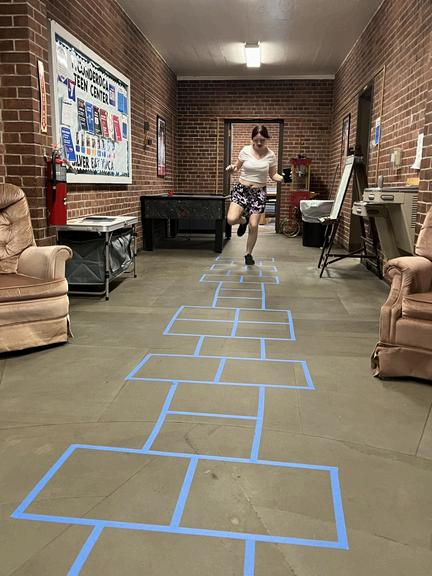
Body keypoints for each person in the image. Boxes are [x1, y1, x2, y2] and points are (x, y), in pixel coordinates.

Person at [225, 125, 284, 265]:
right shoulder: (245, 150)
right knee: (231, 219)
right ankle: (243, 221)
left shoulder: (271, 155)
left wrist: (283, 178)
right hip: (241, 190)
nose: (259, 143)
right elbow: (236, 167)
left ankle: (248, 254)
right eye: (256, 140)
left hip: (258, 193)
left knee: (254, 225)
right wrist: (232, 169)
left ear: (267, 139)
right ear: (252, 139)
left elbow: (273, 175)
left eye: (262, 140)